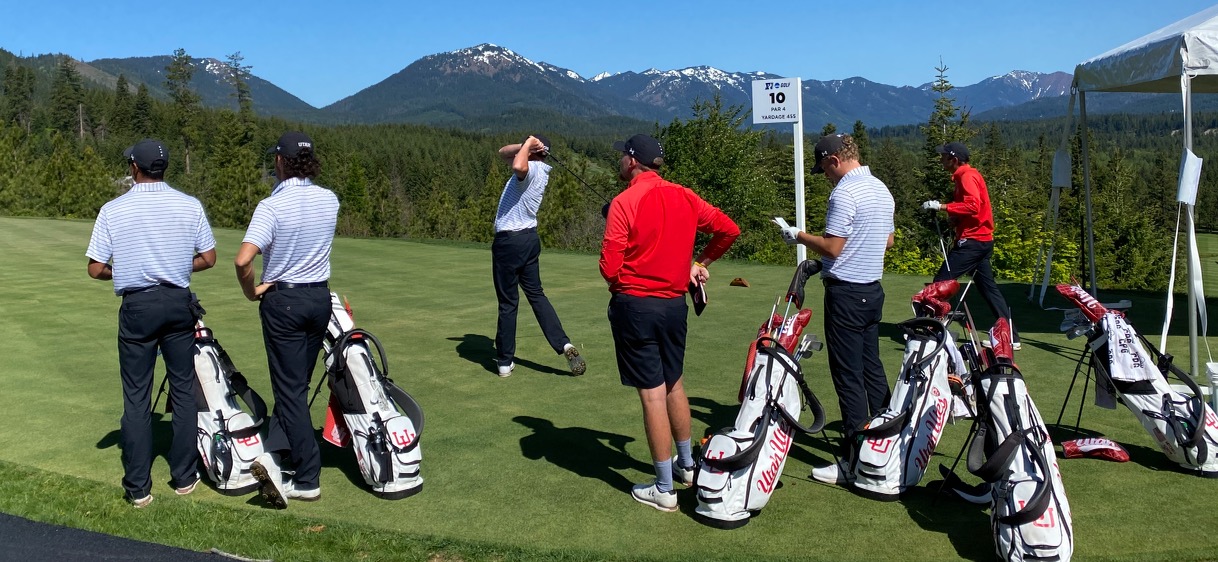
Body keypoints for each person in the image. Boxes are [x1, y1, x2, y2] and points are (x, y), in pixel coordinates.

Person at [601, 134, 740, 511]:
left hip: (636, 306)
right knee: (674, 382)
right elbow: (729, 229)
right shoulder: (685, 195)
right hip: (674, 307)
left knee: (651, 394)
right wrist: (699, 264)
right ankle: (688, 466)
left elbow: (609, 268)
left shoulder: (623, 201)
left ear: (632, 162)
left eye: (622, 157)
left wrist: (629, 280)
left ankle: (664, 489)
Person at [86, 138, 217, 507]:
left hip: (138, 308)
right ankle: (184, 477)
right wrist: (175, 268)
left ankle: (139, 488)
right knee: (183, 390)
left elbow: (96, 268)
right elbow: (208, 258)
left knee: (137, 398)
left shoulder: (114, 209)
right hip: (178, 303)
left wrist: (125, 270)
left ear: (134, 168)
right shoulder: (189, 206)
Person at [774, 133, 894, 485]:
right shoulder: (880, 188)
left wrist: (797, 235)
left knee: (848, 376)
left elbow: (833, 248)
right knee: (871, 368)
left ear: (833, 160)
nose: (825, 175)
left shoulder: (844, 193)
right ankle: (886, 445)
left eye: (824, 168)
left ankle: (855, 461)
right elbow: (887, 239)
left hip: (846, 294)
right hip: (873, 291)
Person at [236, 131, 339, 509]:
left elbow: (243, 259)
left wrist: (252, 291)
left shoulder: (270, 207)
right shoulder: (330, 199)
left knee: (290, 391)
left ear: (280, 161)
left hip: (285, 301)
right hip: (318, 298)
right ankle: (279, 449)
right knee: (297, 384)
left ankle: (307, 475)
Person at [491, 134, 585, 378]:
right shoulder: (542, 169)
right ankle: (563, 343)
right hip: (529, 240)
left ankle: (504, 361)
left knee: (508, 303)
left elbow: (517, 164)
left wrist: (527, 148)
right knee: (537, 295)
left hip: (509, 242)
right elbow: (503, 151)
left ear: (533, 153)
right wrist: (526, 145)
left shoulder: (530, 169)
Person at [921, 141, 1019, 349]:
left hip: (973, 242)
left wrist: (942, 207)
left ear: (954, 160)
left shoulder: (966, 176)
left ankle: (930, 330)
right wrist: (955, 218)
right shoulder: (965, 176)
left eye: (944, 156)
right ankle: (1010, 337)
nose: (941, 159)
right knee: (988, 289)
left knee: (940, 282)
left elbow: (973, 205)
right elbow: (975, 209)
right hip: (982, 240)